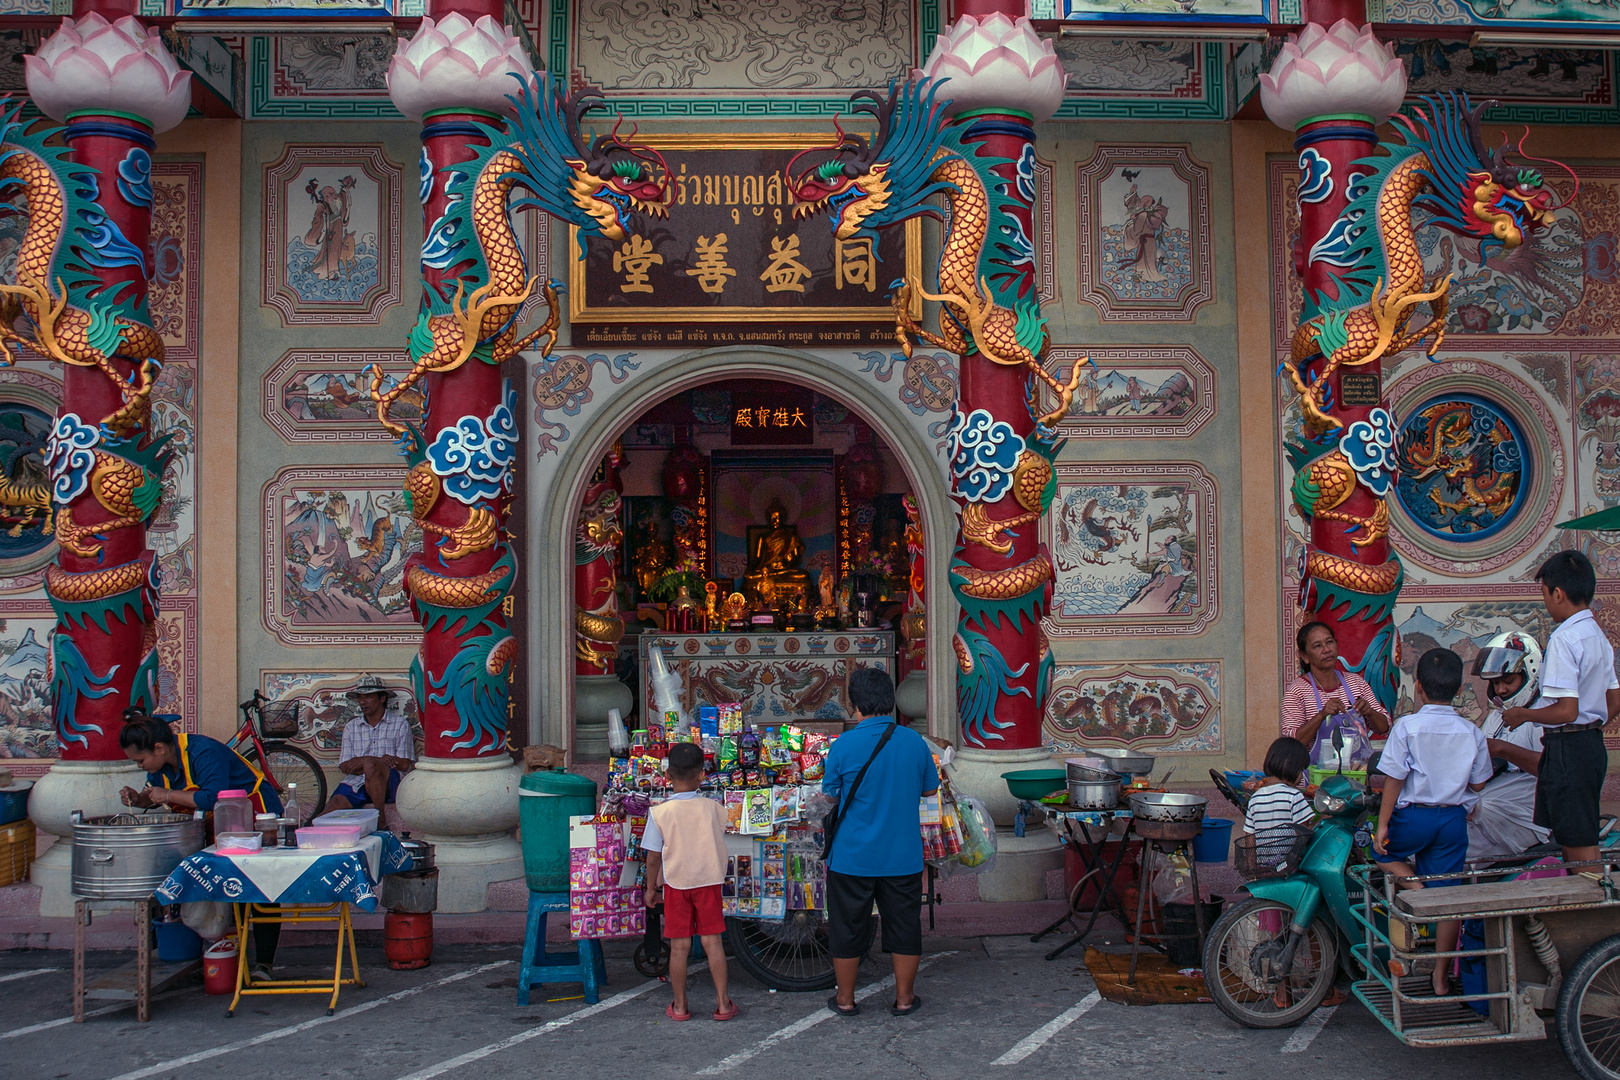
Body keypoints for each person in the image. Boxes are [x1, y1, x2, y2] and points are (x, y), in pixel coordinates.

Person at [117, 710, 286, 981]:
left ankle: (263, 964)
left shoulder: (203, 752)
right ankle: (236, 960)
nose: (140, 766)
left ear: (159, 748)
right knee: (233, 890)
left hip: (256, 816)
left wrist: (168, 794)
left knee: (259, 891)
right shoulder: (162, 767)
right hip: (222, 826)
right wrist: (138, 800)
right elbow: (154, 795)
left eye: (141, 760)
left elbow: (211, 798)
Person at [1373, 648, 1492, 997]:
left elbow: (1393, 779)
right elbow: (1480, 783)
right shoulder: (1472, 731)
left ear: (1419, 686)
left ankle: (1419, 895)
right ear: (1458, 689)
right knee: (1450, 898)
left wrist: (1382, 826)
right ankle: (1440, 977)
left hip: (1414, 818)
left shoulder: (1407, 726)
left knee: (1375, 850)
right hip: (1452, 821)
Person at [822, 667, 939, 1018]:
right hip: (901, 856)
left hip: (852, 857)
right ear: (890, 701)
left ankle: (845, 1000)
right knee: (904, 927)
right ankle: (904, 1000)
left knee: (847, 927)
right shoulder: (913, 742)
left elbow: (829, 797)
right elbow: (930, 789)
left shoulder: (843, 745)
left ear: (854, 704)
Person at [1503, 550, 1620, 867]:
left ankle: (1590, 910)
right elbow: (1614, 700)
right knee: (1578, 834)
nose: (1545, 603)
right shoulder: (1598, 635)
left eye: (1544, 594)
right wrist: (1590, 725)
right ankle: (1587, 903)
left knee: (1577, 845)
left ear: (1558, 593)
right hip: (1589, 746)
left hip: (1569, 748)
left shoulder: (1565, 638)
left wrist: (1524, 715)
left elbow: (1566, 711)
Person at [642, 742, 737, 1022]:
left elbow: (652, 858)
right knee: (713, 943)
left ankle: (681, 1005)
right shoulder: (714, 808)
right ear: (702, 775)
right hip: (708, 881)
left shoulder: (660, 813)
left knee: (680, 947)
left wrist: (651, 887)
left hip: (676, 884)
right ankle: (723, 1003)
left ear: (668, 775)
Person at [1466, 631, 1551, 861]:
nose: (1501, 690)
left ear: (1531, 673)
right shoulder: (1496, 716)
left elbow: (1550, 768)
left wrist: (1502, 749)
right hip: (1493, 807)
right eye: (1496, 683)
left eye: (1508, 681)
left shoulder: (1543, 716)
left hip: (1526, 816)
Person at [1281, 620, 1391, 750]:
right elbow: (1291, 743)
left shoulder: (1356, 683)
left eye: (1329, 642)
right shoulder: (1296, 692)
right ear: (1304, 656)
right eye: (1317, 646)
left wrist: (1370, 712)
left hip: (1355, 768)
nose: (1326, 649)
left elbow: (1385, 728)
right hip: (1313, 769)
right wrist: (1321, 716)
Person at [323, 673, 415, 813]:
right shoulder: (351, 727)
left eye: (369, 697)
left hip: (389, 784)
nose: (362, 702)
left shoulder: (400, 725)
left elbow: (405, 764)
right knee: (332, 807)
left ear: (382, 698)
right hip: (357, 782)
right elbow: (345, 766)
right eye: (360, 697)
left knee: (372, 766)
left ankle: (380, 818)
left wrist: (371, 764)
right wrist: (375, 760)